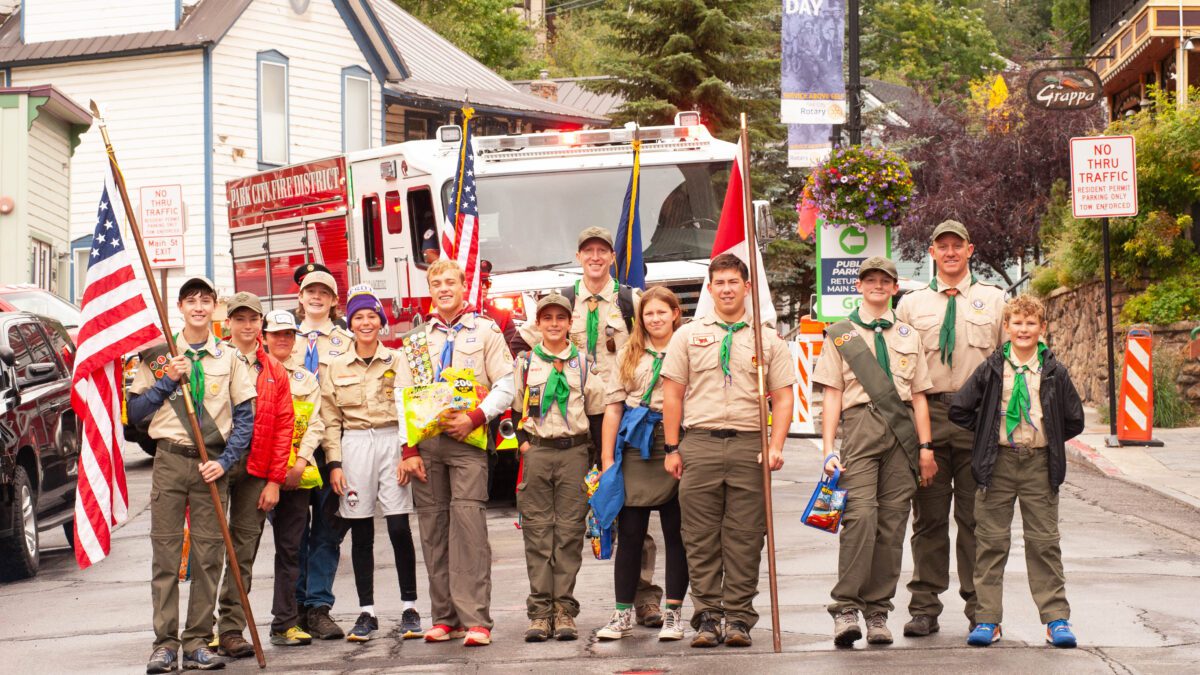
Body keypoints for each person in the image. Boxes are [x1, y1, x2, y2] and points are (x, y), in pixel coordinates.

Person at [660, 253, 796, 648]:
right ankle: (707, 617)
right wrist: (672, 447)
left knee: (745, 537)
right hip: (699, 444)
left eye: (733, 282)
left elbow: (783, 398)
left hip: (748, 445)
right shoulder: (686, 335)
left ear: (747, 287)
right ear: (710, 288)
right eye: (718, 282)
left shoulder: (767, 339)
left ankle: (738, 618)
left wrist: (775, 445)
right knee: (699, 537)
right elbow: (673, 396)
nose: (726, 289)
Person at [127, 277, 257, 673]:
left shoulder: (229, 357)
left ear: (214, 308)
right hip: (169, 461)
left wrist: (226, 460)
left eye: (205, 300)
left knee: (207, 557)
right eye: (191, 301)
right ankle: (164, 644)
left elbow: (246, 418)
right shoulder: (158, 356)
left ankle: (198, 641)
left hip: (211, 465)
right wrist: (168, 381)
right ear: (180, 307)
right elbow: (134, 415)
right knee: (165, 555)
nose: (198, 307)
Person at [948, 295, 1084, 648]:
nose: (1023, 329)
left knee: (1044, 543)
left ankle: (1056, 619)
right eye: (1017, 323)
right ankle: (987, 619)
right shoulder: (993, 368)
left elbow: (1073, 418)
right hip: (999, 464)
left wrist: (1049, 436)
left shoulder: (1053, 370)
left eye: (1031, 323)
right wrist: (988, 428)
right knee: (991, 543)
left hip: (1039, 463)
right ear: (1005, 328)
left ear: (1042, 328)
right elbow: (960, 409)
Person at [813, 256, 936, 647]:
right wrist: (828, 448)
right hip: (860, 428)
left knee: (893, 524)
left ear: (895, 287)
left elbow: (918, 397)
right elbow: (832, 394)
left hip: (902, 435)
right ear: (859, 286)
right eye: (870, 280)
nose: (877, 286)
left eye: (885, 280)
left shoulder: (907, 334)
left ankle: (878, 610)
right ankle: (846, 607)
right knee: (861, 517)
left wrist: (926, 448)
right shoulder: (841, 334)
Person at [894, 220, 1006, 638]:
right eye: (943, 246)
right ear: (932, 252)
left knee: (977, 519)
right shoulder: (910, 305)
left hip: (978, 418)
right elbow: (899, 367)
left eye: (957, 246)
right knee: (929, 519)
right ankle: (924, 606)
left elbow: (1007, 361)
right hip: (929, 417)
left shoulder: (994, 301)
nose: (950, 252)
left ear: (970, 249)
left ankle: (981, 607)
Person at [396, 259, 515, 647]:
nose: (444, 287)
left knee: (469, 528)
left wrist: (477, 417)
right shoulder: (416, 339)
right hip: (427, 447)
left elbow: (507, 383)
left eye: (450, 281)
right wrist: (408, 450)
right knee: (433, 531)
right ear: (430, 288)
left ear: (464, 286)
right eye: (436, 282)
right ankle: (445, 617)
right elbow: (402, 396)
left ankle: (476, 619)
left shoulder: (485, 331)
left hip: (468, 442)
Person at [320, 285, 423, 642]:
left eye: (372, 317)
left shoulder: (397, 360)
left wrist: (408, 452)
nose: (366, 323)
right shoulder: (334, 366)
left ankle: (410, 606)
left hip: (391, 440)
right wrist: (334, 463)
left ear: (381, 322)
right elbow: (330, 419)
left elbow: (408, 407)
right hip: (354, 445)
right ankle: (367, 612)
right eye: (359, 317)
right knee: (361, 531)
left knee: (398, 528)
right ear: (350, 323)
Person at [512, 292, 608, 642]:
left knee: (568, 533)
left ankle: (564, 609)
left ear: (570, 323)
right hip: (537, 452)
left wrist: (597, 459)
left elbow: (596, 413)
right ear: (538, 324)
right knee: (538, 533)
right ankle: (539, 613)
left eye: (560, 318)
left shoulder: (582, 364)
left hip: (573, 453)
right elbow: (513, 408)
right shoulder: (525, 363)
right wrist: (524, 443)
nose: (554, 324)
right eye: (547, 318)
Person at [595, 287, 690, 642]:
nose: (655, 319)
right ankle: (622, 614)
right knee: (631, 532)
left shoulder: (689, 348)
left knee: (675, 534)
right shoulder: (628, 353)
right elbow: (614, 408)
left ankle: (674, 615)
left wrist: (676, 445)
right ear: (641, 319)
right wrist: (607, 460)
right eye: (648, 314)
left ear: (675, 314)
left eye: (662, 312)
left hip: (674, 444)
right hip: (636, 446)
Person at [209, 293, 294, 658]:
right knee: (210, 548)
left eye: (253, 319)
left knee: (243, 551)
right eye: (239, 318)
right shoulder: (213, 360)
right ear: (227, 323)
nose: (246, 326)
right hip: (217, 465)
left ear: (261, 323)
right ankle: (199, 630)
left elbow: (284, 425)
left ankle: (231, 629)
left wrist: (275, 480)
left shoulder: (273, 369)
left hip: (257, 469)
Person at [291, 269, 355, 640]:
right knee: (294, 533)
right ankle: (295, 606)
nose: (316, 297)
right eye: (309, 291)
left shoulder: (346, 342)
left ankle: (319, 607)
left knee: (329, 532)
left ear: (334, 300)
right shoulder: (283, 338)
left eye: (324, 293)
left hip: (335, 449)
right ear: (300, 297)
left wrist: (340, 460)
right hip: (294, 452)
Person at [261, 309, 325, 647]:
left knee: (290, 548)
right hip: (255, 474)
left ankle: (283, 622)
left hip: (294, 475)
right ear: (265, 337)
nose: (282, 340)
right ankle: (225, 627)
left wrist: (300, 462)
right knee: (240, 549)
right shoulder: (250, 373)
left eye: (288, 334)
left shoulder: (305, 379)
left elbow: (316, 423)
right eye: (276, 334)